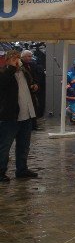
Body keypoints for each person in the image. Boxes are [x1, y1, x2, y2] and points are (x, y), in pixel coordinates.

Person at [0, 50, 39, 181]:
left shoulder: (24, 71)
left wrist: (33, 86)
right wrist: (11, 67)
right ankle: (1, 172)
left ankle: (22, 169)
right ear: (7, 59)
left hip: (26, 115)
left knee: (24, 145)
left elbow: (29, 84)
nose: (16, 60)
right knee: (5, 146)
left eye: (17, 58)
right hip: (10, 117)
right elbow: (3, 84)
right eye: (13, 58)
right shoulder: (4, 72)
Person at [21, 50, 45, 130]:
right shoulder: (20, 65)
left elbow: (36, 75)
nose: (30, 58)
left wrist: (36, 84)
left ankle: (34, 125)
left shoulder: (32, 65)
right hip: (24, 90)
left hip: (32, 89)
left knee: (34, 107)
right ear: (23, 57)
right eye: (28, 56)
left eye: (31, 56)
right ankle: (28, 126)